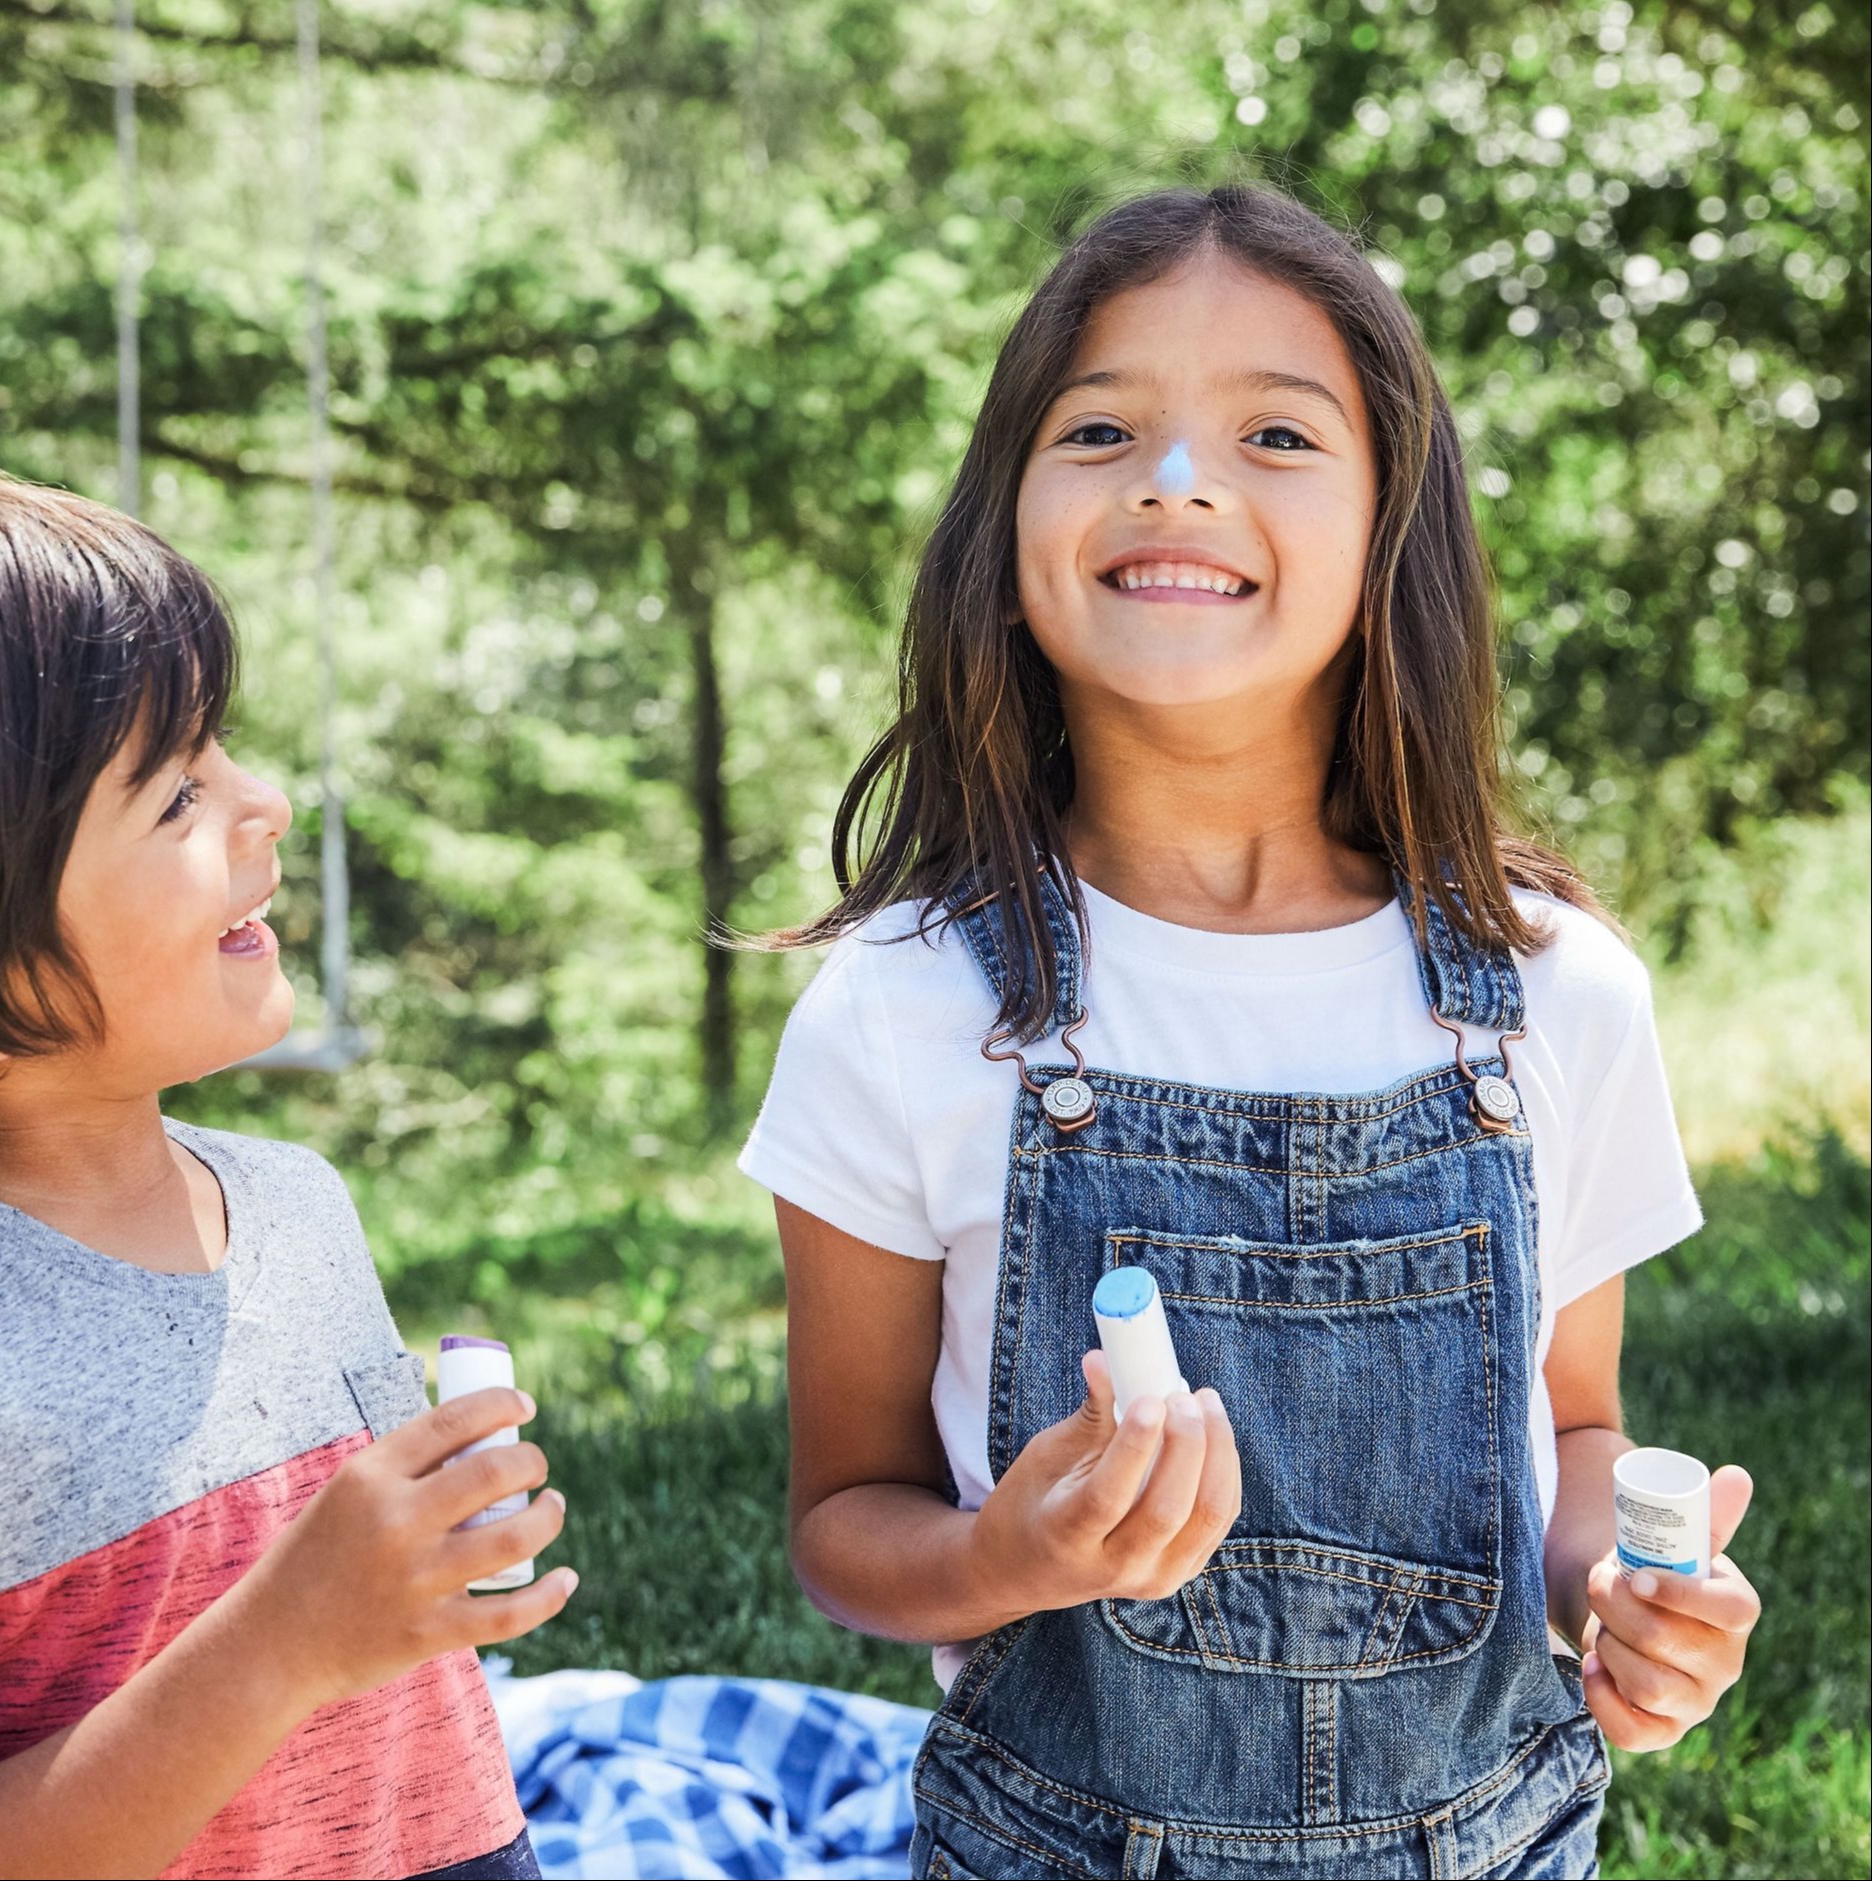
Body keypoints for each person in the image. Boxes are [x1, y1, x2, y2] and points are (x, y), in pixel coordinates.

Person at [740, 186, 1759, 1878]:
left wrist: (1625, 1595)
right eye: (1103, 428)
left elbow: (1578, 1433)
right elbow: (847, 1519)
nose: (1177, 479)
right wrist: (1008, 1553)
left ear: (1389, 531)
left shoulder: (1559, 993)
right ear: (1007, 525)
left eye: (1276, 430)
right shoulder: (906, 1009)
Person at [0, 478, 572, 1880]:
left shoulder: (294, 1205)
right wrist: (283, 1641)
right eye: (182, 787)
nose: (268, 800)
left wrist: (431, 1543)